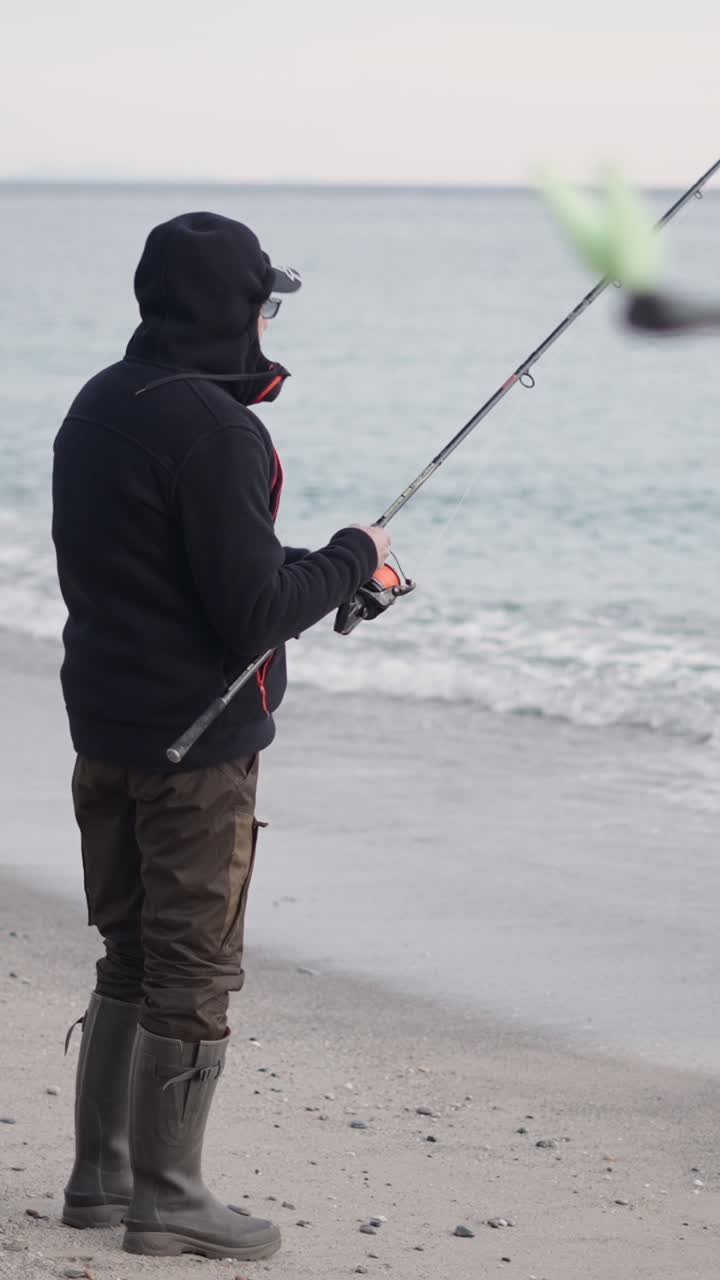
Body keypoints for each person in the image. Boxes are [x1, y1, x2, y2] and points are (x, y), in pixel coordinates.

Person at [51, 210, 391, 1262]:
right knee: (193, 968)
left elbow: (180, 568)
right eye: (263, 298)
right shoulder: (216, 428)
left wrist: (317, 566)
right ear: (232, 306)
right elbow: (250, 611)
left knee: (130, 952)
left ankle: (102, 1174)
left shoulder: (103, 402)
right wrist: (353, 558)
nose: (266, 316)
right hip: (194, 753)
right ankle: (170, 1197)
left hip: (106, 731)